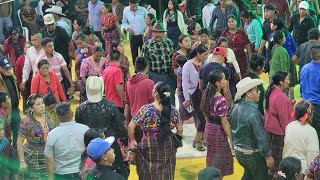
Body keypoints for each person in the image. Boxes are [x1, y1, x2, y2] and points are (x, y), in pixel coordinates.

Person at [75, 76, 129, 179]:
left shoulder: (80, 109)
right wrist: (125, 144)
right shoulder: (110, 106)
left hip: (91, 149)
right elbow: (120, 128)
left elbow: (79, 130)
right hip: (109, 146)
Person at [128, 82, 183, 179]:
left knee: (147, 171)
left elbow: (131, 126)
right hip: (167, 143)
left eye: (154, 89)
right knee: (167, 169)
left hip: (148, 144)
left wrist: (133, 140)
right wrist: (177, 139)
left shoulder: (146, 109)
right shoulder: (173, 110)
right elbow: (180, 129)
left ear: (156, 93)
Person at [229, 77, 274, 179]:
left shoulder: (235, 108)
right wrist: (268, 156)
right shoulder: (253, 113)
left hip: (239, 152)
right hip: (252, 155)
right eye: (256, 90)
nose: (259, 93)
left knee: (248, 174)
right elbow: (261, 137)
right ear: (248, 94)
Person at [200, 70, 233, 176]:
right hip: (218, 133)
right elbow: (224, 122)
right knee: (220, 162)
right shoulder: (221, 100)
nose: (226, 81)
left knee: (212, 159)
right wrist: (231, 138)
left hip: (209, 129)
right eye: (224, 79)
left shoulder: (207, 95)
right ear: (217, 83)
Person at [45, 102, 89, 180]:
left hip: (61, 174)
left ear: (57, 117)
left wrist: (50, 177)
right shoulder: (85, 129)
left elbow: (49, 158)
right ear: (72, 114)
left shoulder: (52, 134)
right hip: (82, 172)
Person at [17, 94, 56, 179]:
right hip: (33, 157)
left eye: (42, 103)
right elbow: (19, 142)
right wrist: (22, 161)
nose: (42, 106)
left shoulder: (50, 117)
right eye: (38, 104)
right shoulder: (26, 121)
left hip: (49, 156)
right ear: (31, 108)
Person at [265, 71, 294, 176]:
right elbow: (284, 120)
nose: (289, 82)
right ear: (281, 82)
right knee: (277, 163)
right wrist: (289, 135)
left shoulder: (273, 91)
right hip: (279, 133)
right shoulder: (280, 97)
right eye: (287, 80)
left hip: (272, 130)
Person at [40, 13, 76, 97]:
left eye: (52, 24)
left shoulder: (61, 30)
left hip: (62, 56)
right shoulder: (42, 32)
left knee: (65, 75)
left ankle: (68, 93)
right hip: (49, 59)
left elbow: (69, 43)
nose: (51, 26)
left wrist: (72, 55)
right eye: (48, 25)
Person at [141, 22, 176, 105]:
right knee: (157, 100)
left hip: (169, 76)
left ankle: (171, 117)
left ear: (164, 33)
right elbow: (144, 63)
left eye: (160, 32)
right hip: (154, 76)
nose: (158, 34)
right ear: (152, 33)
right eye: (156, 32)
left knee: (171, 100)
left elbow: (174, 60)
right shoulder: (147, 45)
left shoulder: (169, 43)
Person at [282, 100, 319, 176]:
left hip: (286, 167)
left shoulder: (289, 126)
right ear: (310, 115)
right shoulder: (311, 131)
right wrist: (310, 175)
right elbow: (313, 156)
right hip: (301, 171)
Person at [182, 44, 208, 151]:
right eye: (205, 54)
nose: (207, 56)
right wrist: (187, 98)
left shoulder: (206, 63)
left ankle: (203, 139)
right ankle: (197, 141)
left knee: (205, 117)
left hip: (205, 93)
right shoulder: (188, 65)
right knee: (201, 119)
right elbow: (185, 83)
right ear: (198, 54)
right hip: (194, 94)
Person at [124, 56, 155, 126]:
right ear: (147, 67)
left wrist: (126, 121)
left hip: (134, 121)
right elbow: (153, 103)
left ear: (135, 67)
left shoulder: (128, 83)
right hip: (147, 121)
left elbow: (127, 104)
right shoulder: (149, 83)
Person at [300, 45, 320, 147]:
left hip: (305, 107)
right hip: (317, 107)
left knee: (308, 136)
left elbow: (301, 86)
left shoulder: (304, 68)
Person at [0, 55, 20, 150]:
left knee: (17, 132)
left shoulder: (11, 74)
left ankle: (15, 152)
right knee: (4, 136)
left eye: (8, 66)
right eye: (5, 67)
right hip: (3, 112)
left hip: (14, 109)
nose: (8, 68)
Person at [172, 35, 192, 121]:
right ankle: (183, 120)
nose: (189, 43)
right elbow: (176, 71)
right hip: (182, 81)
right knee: (183, 100)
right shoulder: (176, 55)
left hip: (193, 81)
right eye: (186, 41)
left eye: (189, 41)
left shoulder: (192, 53)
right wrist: (184, 79)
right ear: (180, 43)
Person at [122, 0, 148, 65]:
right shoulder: (125, 10)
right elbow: (124, 22)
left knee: (144, 55)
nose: (134, 8)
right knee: (134, 55)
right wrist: (128, 29)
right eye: (132, 6)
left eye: (135, 6)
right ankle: (136, 70)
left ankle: (144, 70)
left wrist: (147, 29)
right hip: (133, 36)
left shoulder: (143, 10)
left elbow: (150, 20)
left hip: (143, 36)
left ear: (138, 4)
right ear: (129, 3)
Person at [14, 42, 32, 112]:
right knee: (25, 100)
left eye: (29, 47)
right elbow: (17, 73)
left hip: (33, 81)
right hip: (24, 83)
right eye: (25, 47)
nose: (27, 49)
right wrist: (20, 83)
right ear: (23, 49)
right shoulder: (20, 59)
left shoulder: (35, 57)